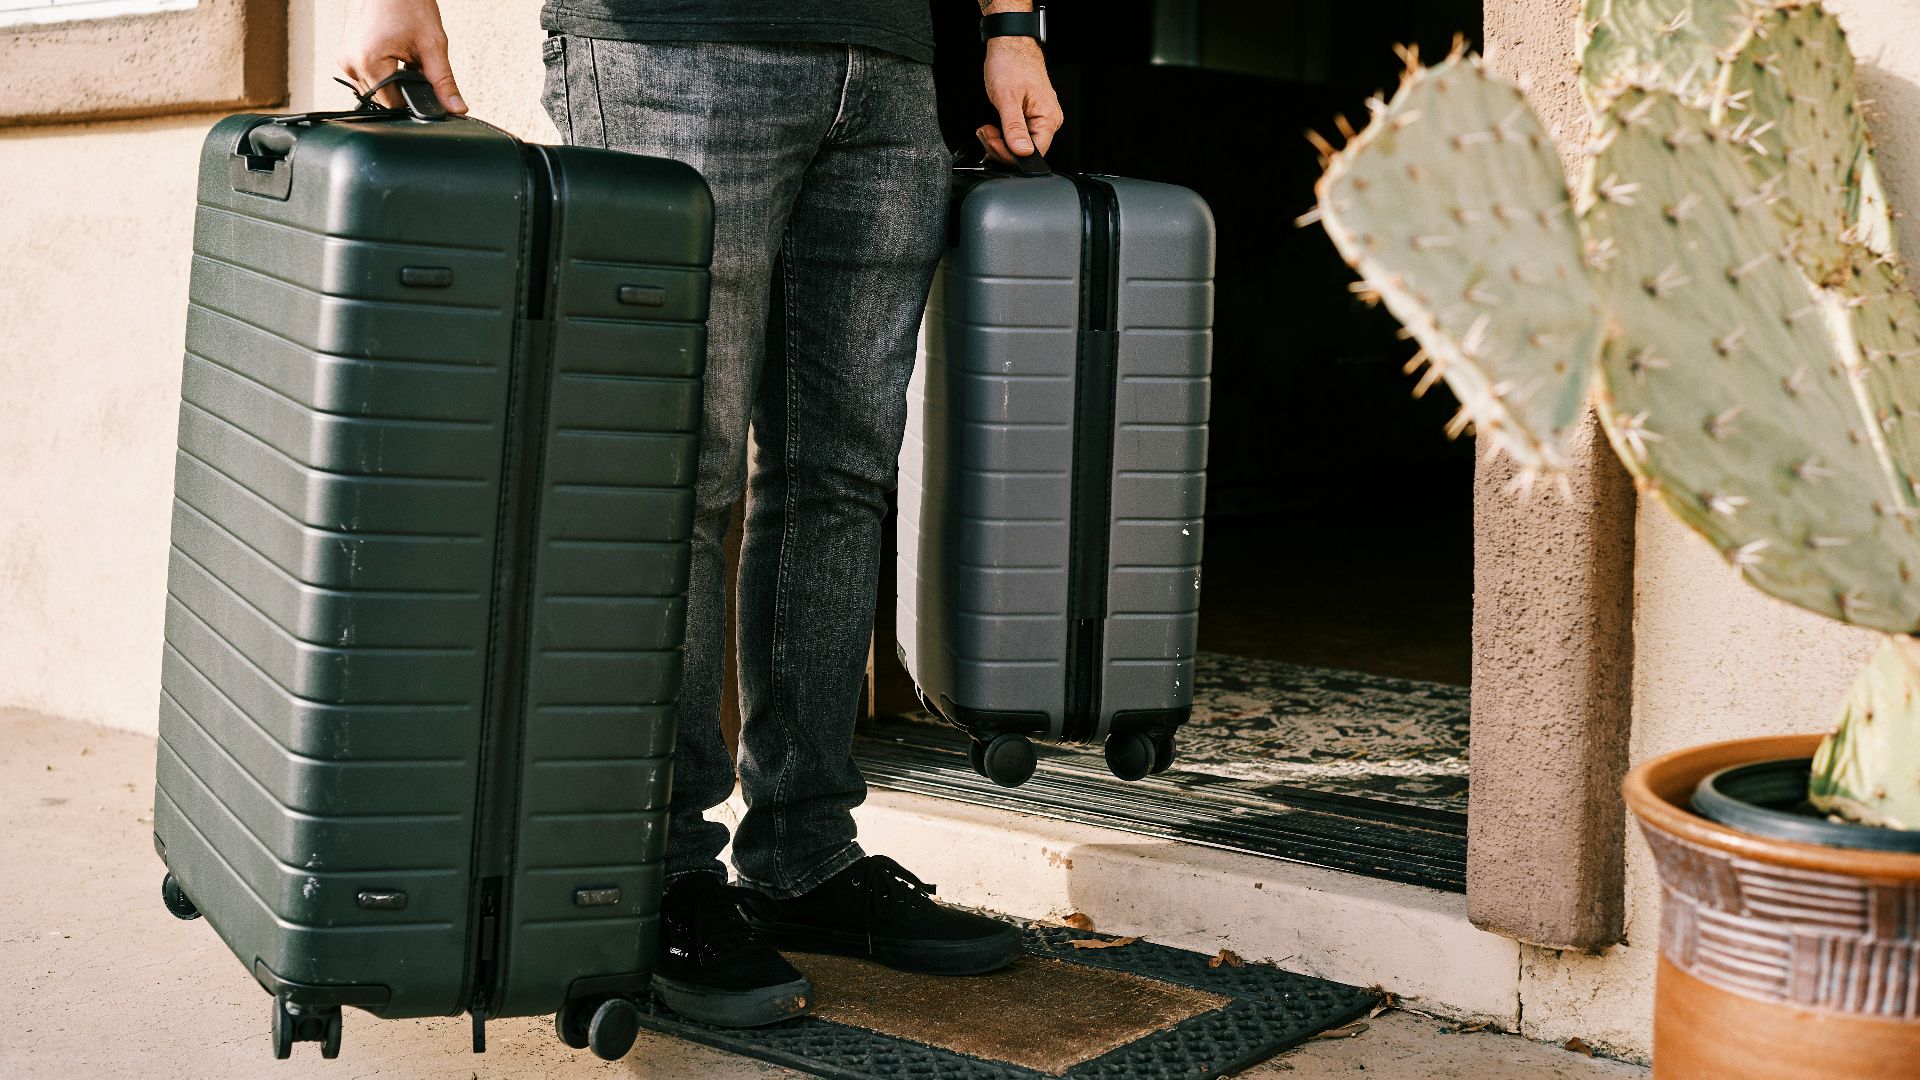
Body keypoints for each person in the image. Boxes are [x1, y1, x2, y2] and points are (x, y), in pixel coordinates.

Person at [340, 0, 1064, 1028]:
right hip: (668, 48)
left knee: (840, 477)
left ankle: (804, 855)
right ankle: (655, 880)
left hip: (887, 61)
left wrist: (1010, 23)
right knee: (673, 482)